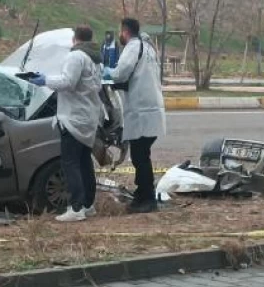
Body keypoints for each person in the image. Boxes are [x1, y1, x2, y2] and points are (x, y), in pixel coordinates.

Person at [29, 25, 102, 222]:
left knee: (70, 163)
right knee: (84, 162)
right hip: (88, 117)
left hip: (73, 117)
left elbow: (68, 82)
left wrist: (44, 80)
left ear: (74, 39)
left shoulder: (76, 56)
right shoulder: (95, 59)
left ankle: (76, 207)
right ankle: (88, 204)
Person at [105, 18, 166, 213]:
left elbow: (121, 73)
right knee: (141, 155)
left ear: (125, 31)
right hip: (151, 109)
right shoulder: (148, 48)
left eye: (120, 32)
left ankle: (147, 198)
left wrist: (107, 73)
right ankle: (143, 194)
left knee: (140, 156)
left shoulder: (133, 47)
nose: (120, 36)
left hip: (142, 111)